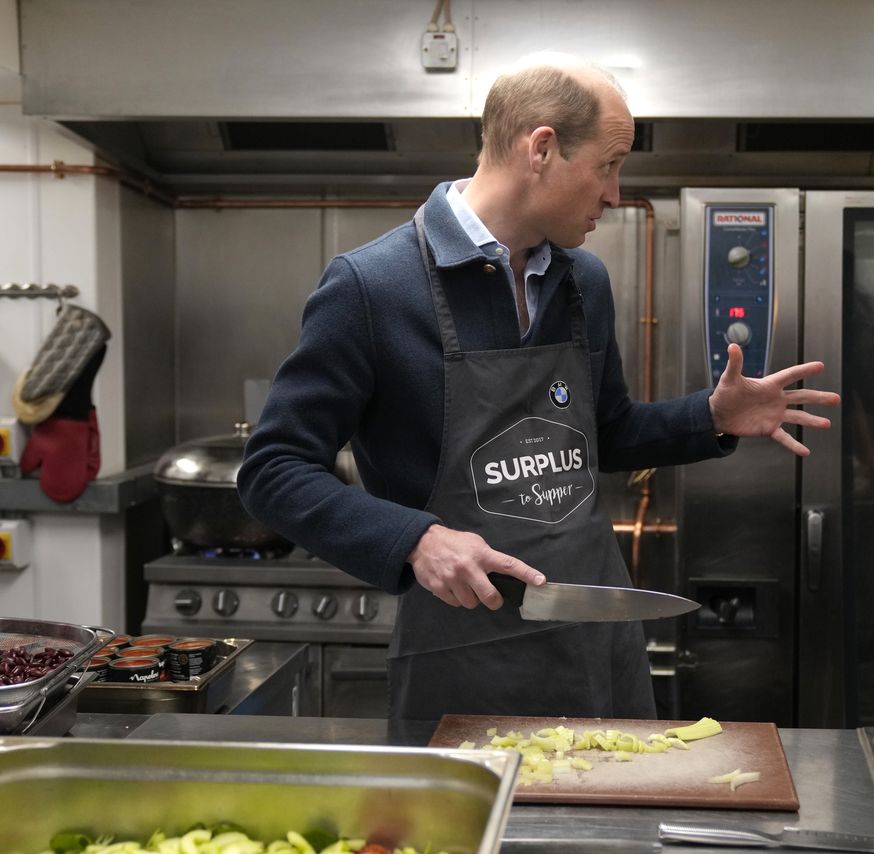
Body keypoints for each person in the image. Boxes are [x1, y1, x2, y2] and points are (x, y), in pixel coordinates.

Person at [237, 53, 839, 722]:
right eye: (608, 166)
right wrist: (416, 539)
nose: (614, 194)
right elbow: (273, 471)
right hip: (462, 652)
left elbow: (601, 434)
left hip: (594, 641)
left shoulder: (584, 281)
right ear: (543, 150)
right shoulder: (372, 289)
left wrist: (711, 416)